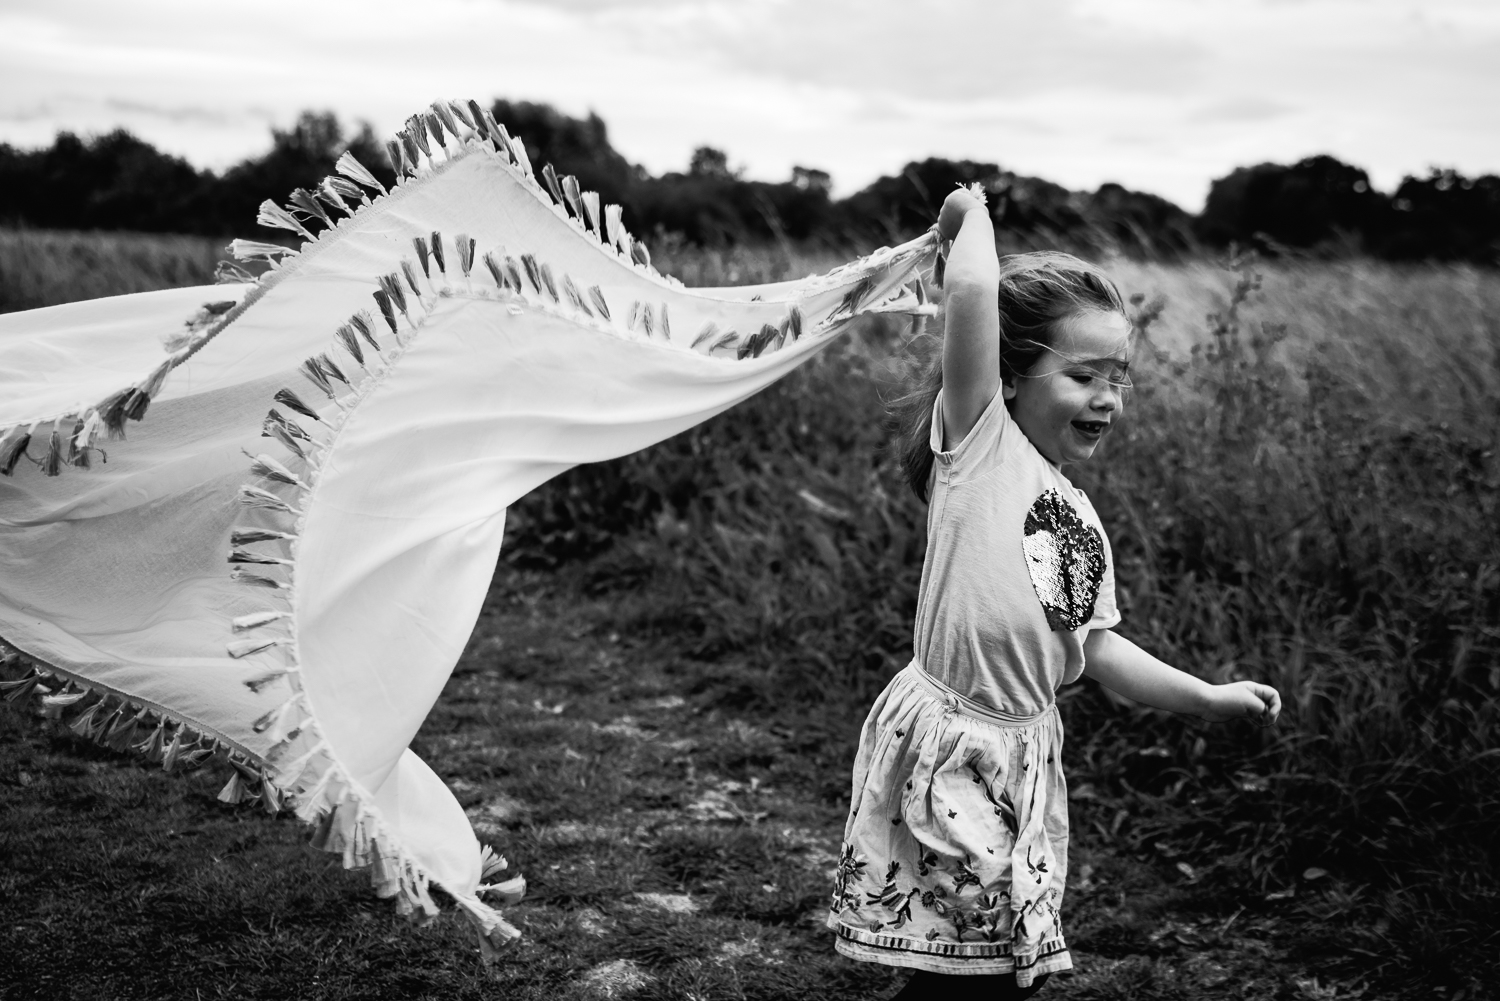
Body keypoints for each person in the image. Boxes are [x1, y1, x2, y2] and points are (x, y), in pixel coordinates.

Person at [826, 187, 1282, 1000]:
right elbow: (969, 291)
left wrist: (1206, 698)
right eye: (1083, 375)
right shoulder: (978, 442)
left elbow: (1098, 646)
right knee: (972, 969)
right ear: (1008, 375)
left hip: (1025, 750)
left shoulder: (1076, 516)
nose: (1108, 397)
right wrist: (968, 213)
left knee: (985, 957)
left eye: (1121, 377)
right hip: (954, 740)